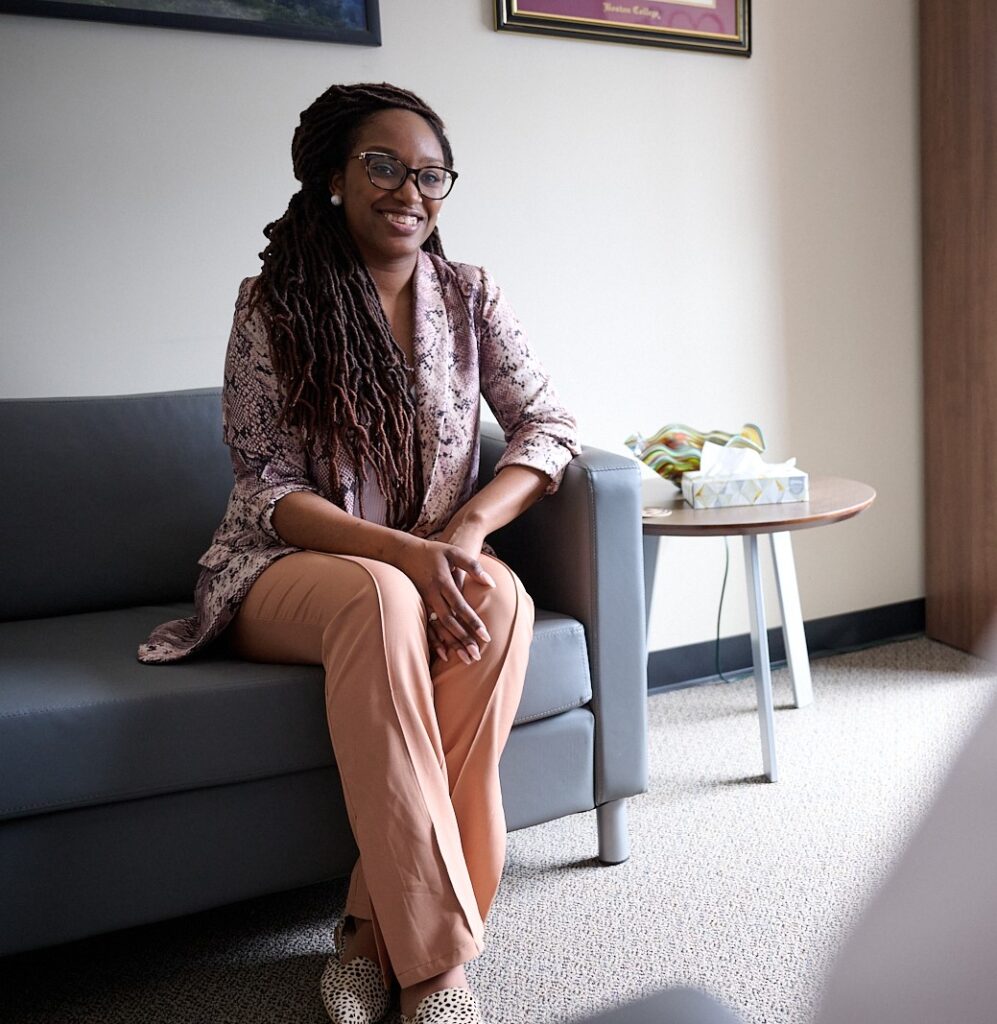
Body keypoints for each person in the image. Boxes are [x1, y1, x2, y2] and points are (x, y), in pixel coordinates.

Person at [138, 82, 580, 1024]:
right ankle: (436, 973)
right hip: (285, 572)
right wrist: (405, 556)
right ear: (332, 176)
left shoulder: (470, 295)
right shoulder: (272, 304)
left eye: (430, 174)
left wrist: (463, 533)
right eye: (382, 165)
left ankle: (362, 933)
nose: (408, 191)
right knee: (380, 593)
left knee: (499, 599)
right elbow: (267, 486)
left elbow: (548, 424)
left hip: (425, 558)